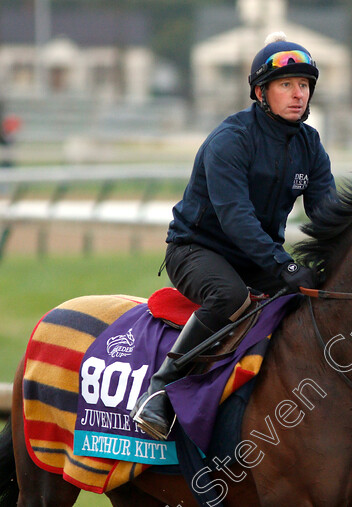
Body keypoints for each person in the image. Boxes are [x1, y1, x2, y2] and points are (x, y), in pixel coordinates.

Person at [131, 32, 336, 441]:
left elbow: (329, 215)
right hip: (196, 250)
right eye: (286, 85)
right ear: (261, 92)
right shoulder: (231, 140)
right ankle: (160, 389)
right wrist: (286, 264)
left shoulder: (310, 145)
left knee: (310, 300)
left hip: (255, 258)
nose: (298, 95)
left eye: (304, 85)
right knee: (228, 297)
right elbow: (236, 219)